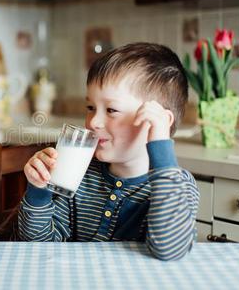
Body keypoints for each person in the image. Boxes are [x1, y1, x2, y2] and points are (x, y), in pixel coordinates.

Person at [18, 42, 200, 260]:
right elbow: (38, 245)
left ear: (158, 121)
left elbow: (169, 250)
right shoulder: (79, 175)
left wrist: (161, 143)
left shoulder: (176, 185)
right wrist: (39, 193)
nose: (94, 121)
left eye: (112, 110)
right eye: (90, 108)